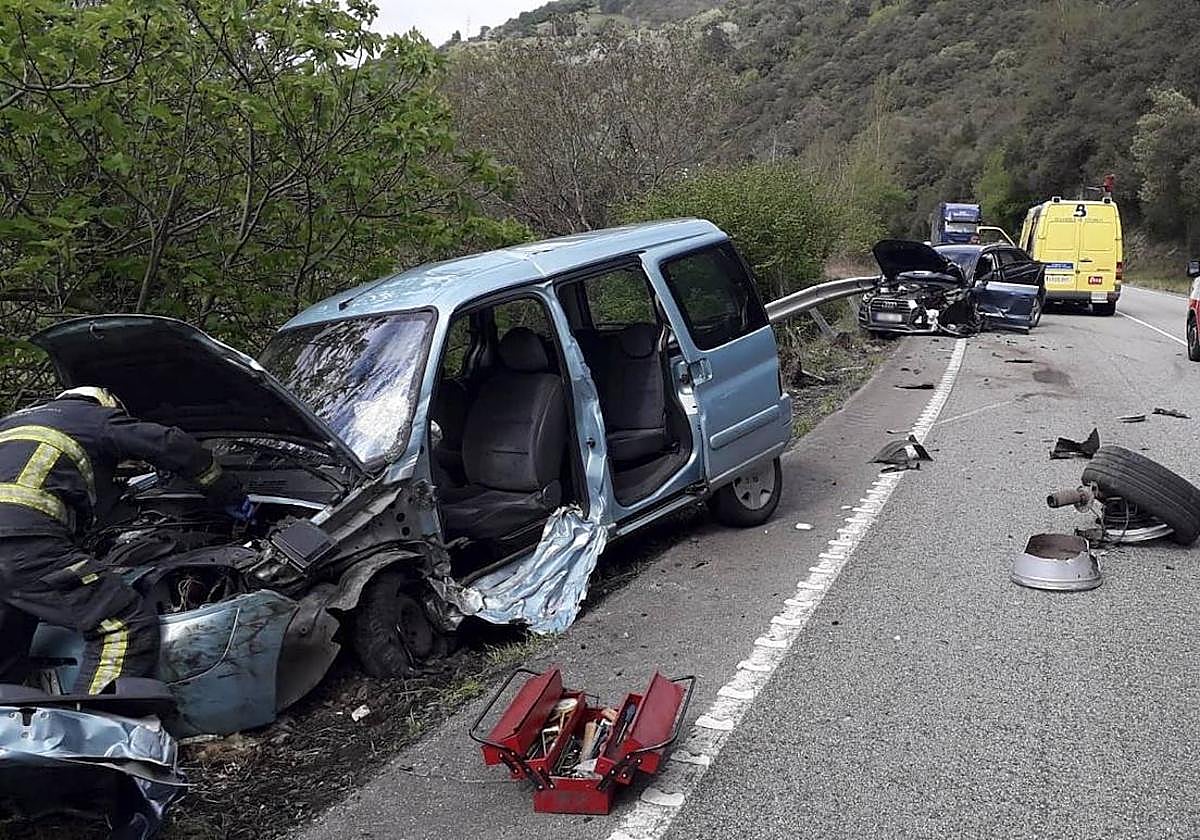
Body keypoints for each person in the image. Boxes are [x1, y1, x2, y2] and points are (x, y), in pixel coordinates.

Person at [0, 386, 248, 693]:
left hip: (16, 546)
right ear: (106, 403)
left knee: (8, 636)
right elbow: (169, 443)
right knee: (122, 622)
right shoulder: (92, 417)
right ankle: (96, 731)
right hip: (21, 542)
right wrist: (225, 490)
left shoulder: (10, 424)